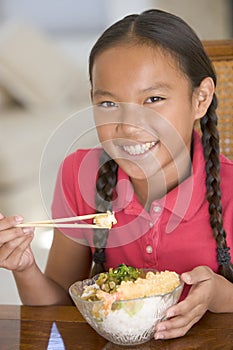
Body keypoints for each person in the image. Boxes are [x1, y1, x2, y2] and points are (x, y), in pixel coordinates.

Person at [0, 9, 233, 340]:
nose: (128, 126)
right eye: (108, 104)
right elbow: (58, 310)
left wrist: (219, 294)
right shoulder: (80, 176)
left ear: (201, 98)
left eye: (153, 99)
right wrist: (24, 268)